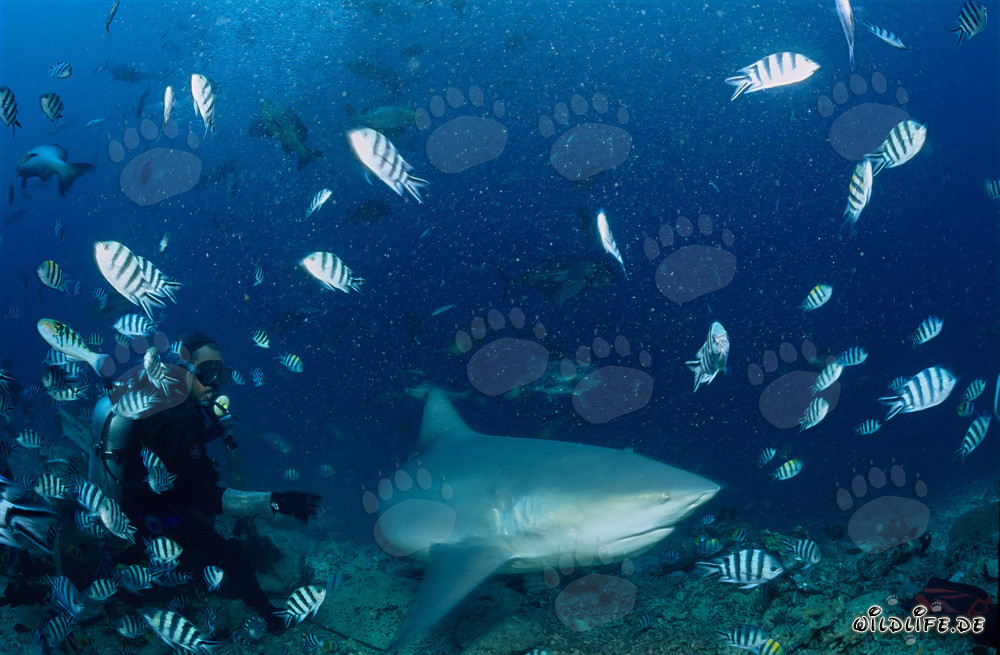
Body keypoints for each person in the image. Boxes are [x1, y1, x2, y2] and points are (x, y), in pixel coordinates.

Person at [92, 332, 319, 631]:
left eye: (221, 373)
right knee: (233, 557)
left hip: (142, 518)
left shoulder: (166, 404)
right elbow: (207, 497)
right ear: (185, 369)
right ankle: (271, 617)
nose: (215, 383)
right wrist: (275, 501)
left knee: (208, 558)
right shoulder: (178, 420)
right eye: (209, 372)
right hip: (152, 528)